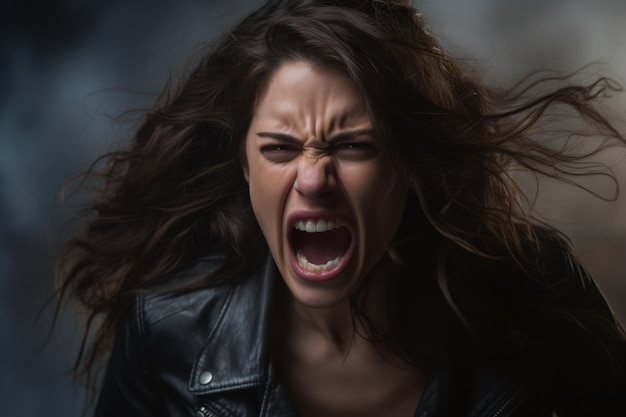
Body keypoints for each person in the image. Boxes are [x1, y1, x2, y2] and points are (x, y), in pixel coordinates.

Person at [56, 0, 626, 416]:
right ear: (245, 169)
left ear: (410, 164)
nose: (313, 178)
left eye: (353, 145)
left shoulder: (534, 285)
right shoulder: (166, 332)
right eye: (279, 148)